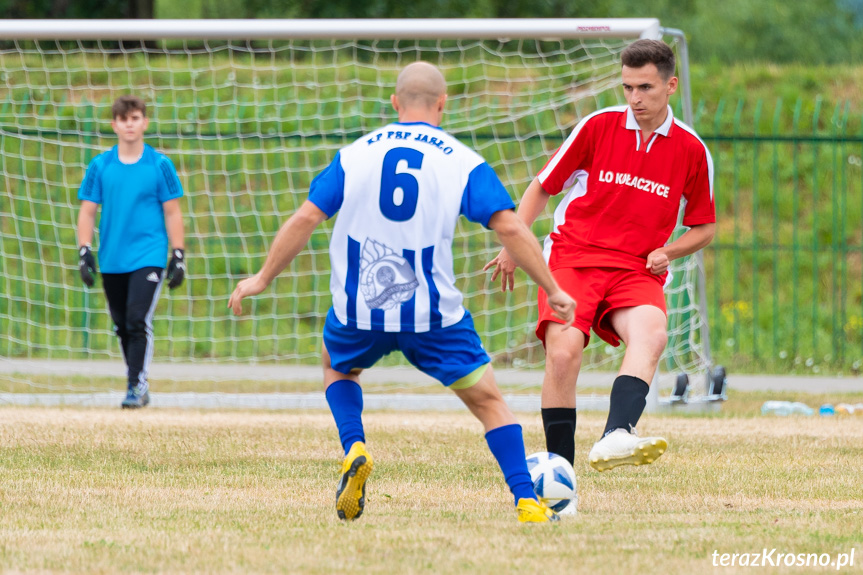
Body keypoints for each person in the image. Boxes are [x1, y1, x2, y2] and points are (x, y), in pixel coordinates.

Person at [228, 62, 576, 523]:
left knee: (338, 368)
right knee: (489, 403)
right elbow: (509, 224)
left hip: (359, 310)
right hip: (432, 317)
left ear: (395, 103)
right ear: (442, 103)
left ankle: (354, 446)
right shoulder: (459, 159)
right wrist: (551, 287)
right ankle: (526, 501)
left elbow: (306, 218)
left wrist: (262, 278)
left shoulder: (355, 155)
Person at [486, 39, 716, 474]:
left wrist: (668, 250)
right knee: (564, 353)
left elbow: (704, 226)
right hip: (574, 257)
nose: (634, 98)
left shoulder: (690, 149)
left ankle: (617, 435)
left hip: (635, 268)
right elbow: (543, 185)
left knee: (652, 334)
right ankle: (560, 473)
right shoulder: (598, 126)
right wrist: (512, 244)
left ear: (671, 85)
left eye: (645, 87)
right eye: (627, 87)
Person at [77, 95, 186, 409]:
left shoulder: (159, 164)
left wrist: (178, 254)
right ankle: (136, 381)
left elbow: (172, 212)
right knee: (122, 323)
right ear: (114, 125)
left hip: (148, 254)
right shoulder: (101, 165)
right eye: (123, 119)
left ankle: (136, 385)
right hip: (113, 256)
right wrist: (84, 250)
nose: (129, 124)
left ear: (145, 123)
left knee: (138, 319)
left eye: (135, 118)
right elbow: (87, 211)